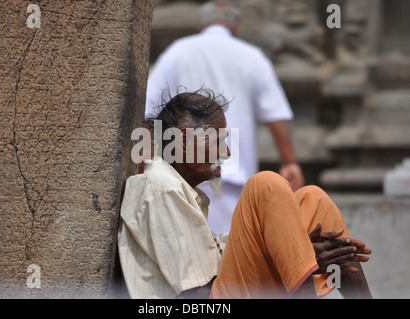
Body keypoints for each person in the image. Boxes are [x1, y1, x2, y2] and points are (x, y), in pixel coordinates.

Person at [118, 90, 372, 299]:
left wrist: (296, 250)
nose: (226, 153)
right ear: (182, 141)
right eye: (217, 141)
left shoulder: (177, 190)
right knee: (266, 184)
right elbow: (196, 296)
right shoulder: (160, 187)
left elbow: (223, 258)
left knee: (312, 199)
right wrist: (293, 259)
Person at [145, 1, 304, 234]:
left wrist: (149, 162)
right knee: (230, 251)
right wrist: (289, 161)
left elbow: (148, 109)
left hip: (184, 169)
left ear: (201, 25)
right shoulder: (253, 57)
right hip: (237, 173)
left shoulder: (178, 51)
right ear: (237, 28)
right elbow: (276, 114)